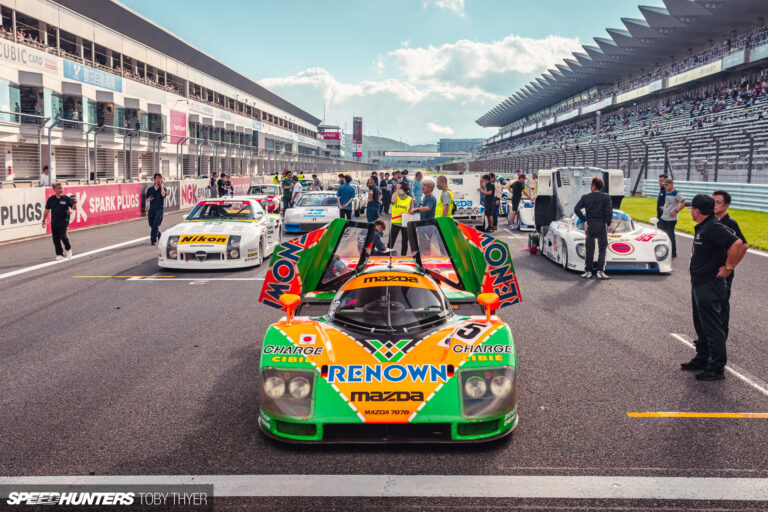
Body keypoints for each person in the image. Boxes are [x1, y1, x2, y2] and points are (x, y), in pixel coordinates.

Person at [682, 194, 746, 381]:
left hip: (710, 284)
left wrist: (728, 267)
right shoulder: (705, 226)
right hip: (700, 282)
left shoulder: (712, 227)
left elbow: (737, 243)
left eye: (692, 209)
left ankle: (716, 367)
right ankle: (703, 357)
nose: (691, 211)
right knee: (701, 325)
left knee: (712, 327)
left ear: (697, 211)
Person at [712, 189, 749, 342]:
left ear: (726, 206)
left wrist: (730, 267)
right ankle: (709, 343)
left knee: (721, 308)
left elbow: (744, 245)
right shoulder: (711, 221)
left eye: (718, 202)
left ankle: (720, 343)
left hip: (724, 274)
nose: (714, 204)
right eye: (712, 201)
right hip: (710, 272)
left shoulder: (730, 223)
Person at [574, 177, 613, 279]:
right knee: (602, 249)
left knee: (590, 249)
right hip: (601, 225)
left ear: (593, 186)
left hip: (590, 225)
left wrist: (584, 220)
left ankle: (588, 271)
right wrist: (608, 224)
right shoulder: (606, 197)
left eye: (591, 185)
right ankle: (600, 271)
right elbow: (609, 212)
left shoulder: (586, 197)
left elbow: (576, 209)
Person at [41, 182, 77, 260]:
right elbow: (46, 210)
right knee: (55, 238)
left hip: (64, 221)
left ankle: (68, 249)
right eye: (59, 189)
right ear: (54, 189)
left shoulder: (66, 198)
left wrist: (74, 203)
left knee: (63, 236)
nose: (61, 190)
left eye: (62, 188)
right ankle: (59, 254)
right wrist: (43, 220)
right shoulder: (51, 199)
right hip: (54, 221)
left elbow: (74, 208)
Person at [658, 178, 686, 258]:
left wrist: (676, 211)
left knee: (670, 235)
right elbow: (668, 203)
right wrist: (665, 207)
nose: (665, 186)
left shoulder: (677, 193)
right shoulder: (667, 192)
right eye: (664, 185)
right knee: (661, 234)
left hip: (671, 219)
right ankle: (663, 250)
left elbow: (684, 202)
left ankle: (673, 252)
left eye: (666, 185)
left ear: (671, 184)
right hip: (664, 217)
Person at [388, 181, 413, 255]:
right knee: (391, 241)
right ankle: (388, 255)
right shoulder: (395, 195)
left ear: (404, 189)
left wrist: (412, 211)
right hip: (395, 222)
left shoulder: (409, 199)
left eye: (399, 188)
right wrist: (397, 191)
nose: (398, 189)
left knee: (405, 242)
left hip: (405, 224)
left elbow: (411, 210)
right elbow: (393, 201)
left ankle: (403, 256)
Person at [145, 173, 167, 245]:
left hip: (159, 209)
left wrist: (161, 187)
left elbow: (163, 195)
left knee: (155, 224)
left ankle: (153, 240)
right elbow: (147, 198)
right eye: (157, 178)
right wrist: (149, 199)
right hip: (152, 209)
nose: (158, 180)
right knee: (151, 224)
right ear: (154, 179)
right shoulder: (150, 189)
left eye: (159, 178)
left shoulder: (163, 189)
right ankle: (159, 234)